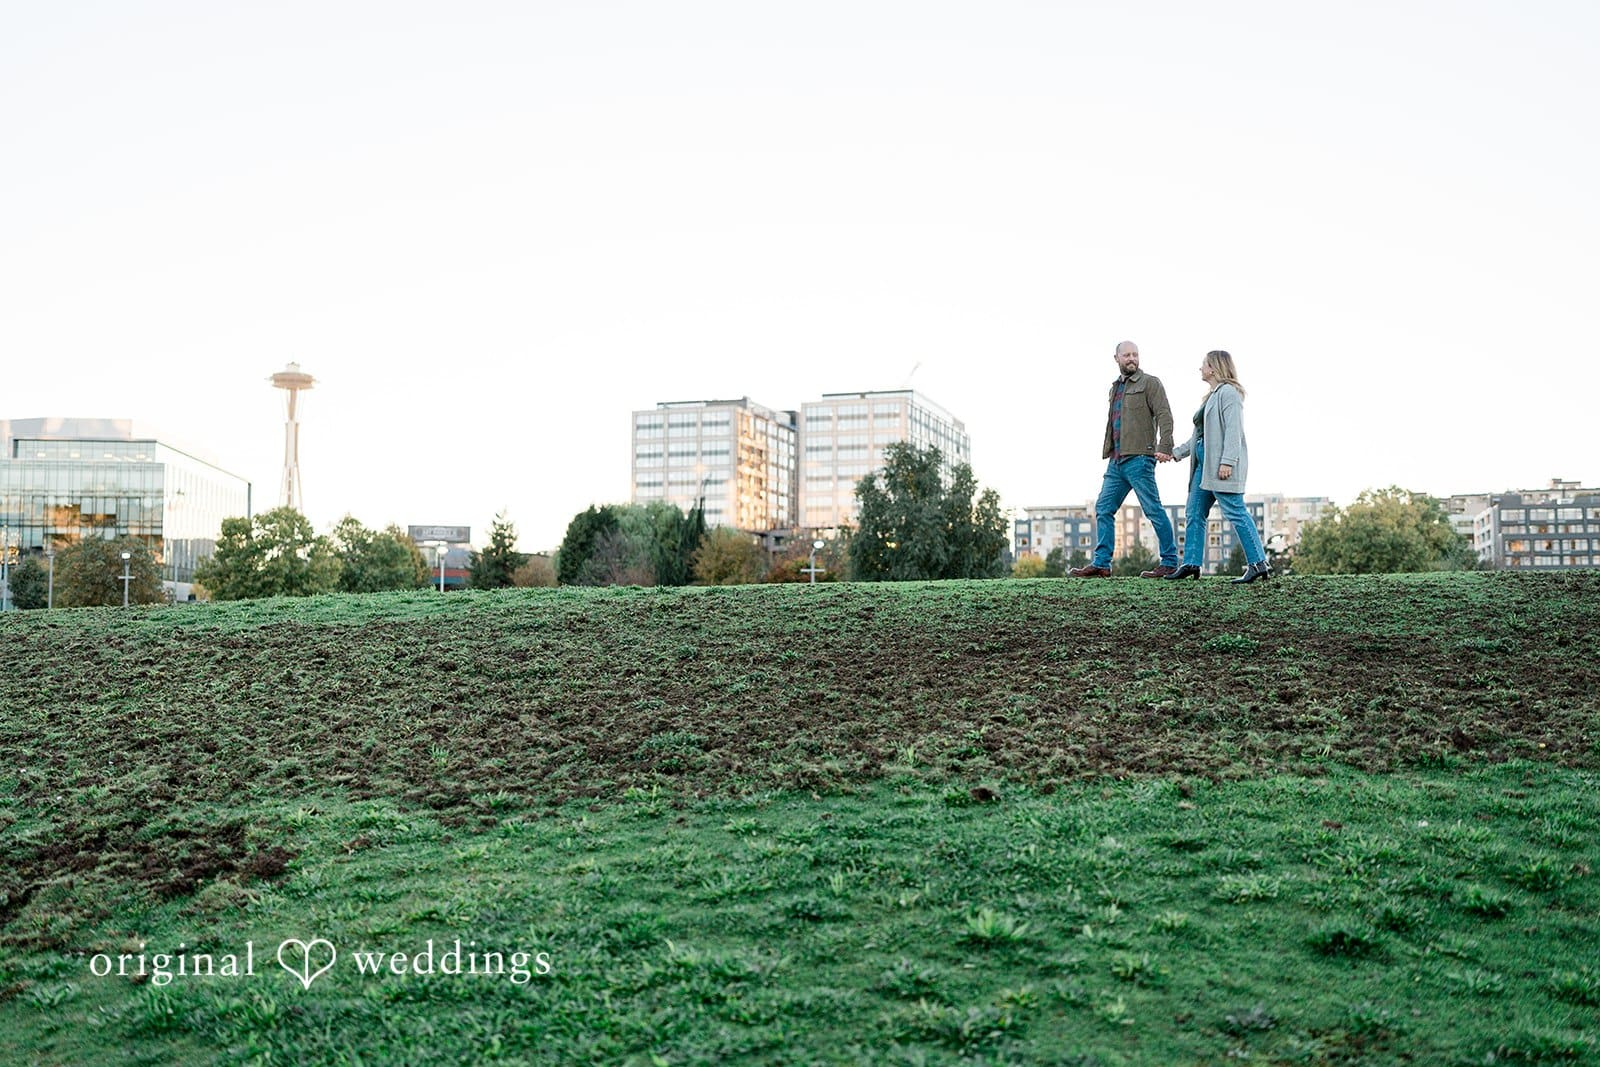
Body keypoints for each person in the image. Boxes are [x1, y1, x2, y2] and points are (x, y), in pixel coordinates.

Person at [1068, 340, 1180, 578]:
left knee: (1153, 510)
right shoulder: (1115, 388)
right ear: (1116, 358)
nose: (1132, 359)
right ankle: (1102, 563)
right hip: (1116, 460)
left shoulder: (1150, 383)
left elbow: (1164, 415)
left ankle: (1169, 562)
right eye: (1127, 355)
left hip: (1140, 458)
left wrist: (1165, 446)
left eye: (1135, 355)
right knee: (1104, 508)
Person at [1162, 350, 1271, 583]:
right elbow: (1199, 436)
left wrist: (1227, 462)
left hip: (1220, 465)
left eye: (1203, 364)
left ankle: (1258, 563)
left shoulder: (1229, 393)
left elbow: (1234, 430)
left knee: (1235, 511)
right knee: (1194, 512)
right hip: (1204, 465)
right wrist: (1175, 454)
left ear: (1213, 367)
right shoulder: (1211, 397)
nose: (1200, 368)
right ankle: (1191, 563)